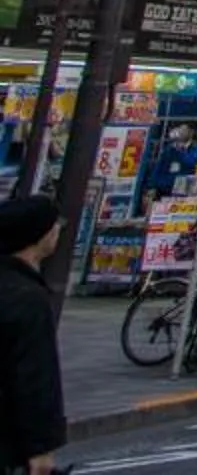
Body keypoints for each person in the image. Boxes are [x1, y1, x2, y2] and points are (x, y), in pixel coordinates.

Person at [1, 194, 69, 475]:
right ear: (40, 235)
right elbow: (35, 377)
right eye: (55, 225)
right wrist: (41, 451)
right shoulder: (28, 298)